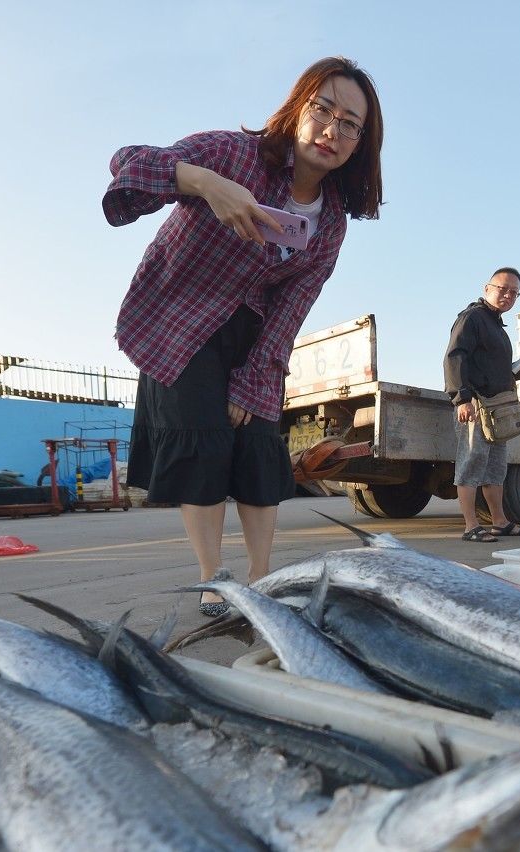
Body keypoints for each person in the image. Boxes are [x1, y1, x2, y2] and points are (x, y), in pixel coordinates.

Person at [103, 57, 384, 616]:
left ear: (361, 142)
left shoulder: (331, 222)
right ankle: (214, 579)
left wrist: (254, 383)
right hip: (176, 318)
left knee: (258, 444)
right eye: (322, 110)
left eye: (350, 123)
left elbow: (292, 307)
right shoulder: (235, 156)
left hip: (252, 329)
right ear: (297, 109)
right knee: (202, 442)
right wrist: (205, 184)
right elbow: (127, 164)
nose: (332, 130)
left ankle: (263, 578)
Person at [444, 268, 520, 543]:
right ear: (487, 288)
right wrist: (462, 398)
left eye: (514, 292)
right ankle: (471, 526)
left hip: (498, 408)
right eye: (502, 288)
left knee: (495, 468)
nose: (507, 295)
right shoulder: (471, 318)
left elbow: (490, 365)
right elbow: (455, 356)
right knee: (471, 464)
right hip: (477, 404)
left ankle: (499, 521)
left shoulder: (496, 324)